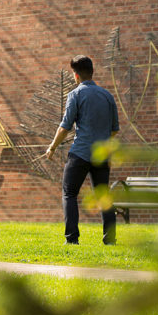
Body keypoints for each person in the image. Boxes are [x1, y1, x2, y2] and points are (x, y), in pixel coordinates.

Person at [45, 55, 119, 245]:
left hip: (80, 153)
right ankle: (110, 239)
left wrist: (52, 148)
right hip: (101, 154)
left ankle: (72, 239)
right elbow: (114, 130)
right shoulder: (108, 96)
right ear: (92, 72)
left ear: (76, 76)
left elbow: (64, 127)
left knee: (69, 193)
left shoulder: (75, 95)